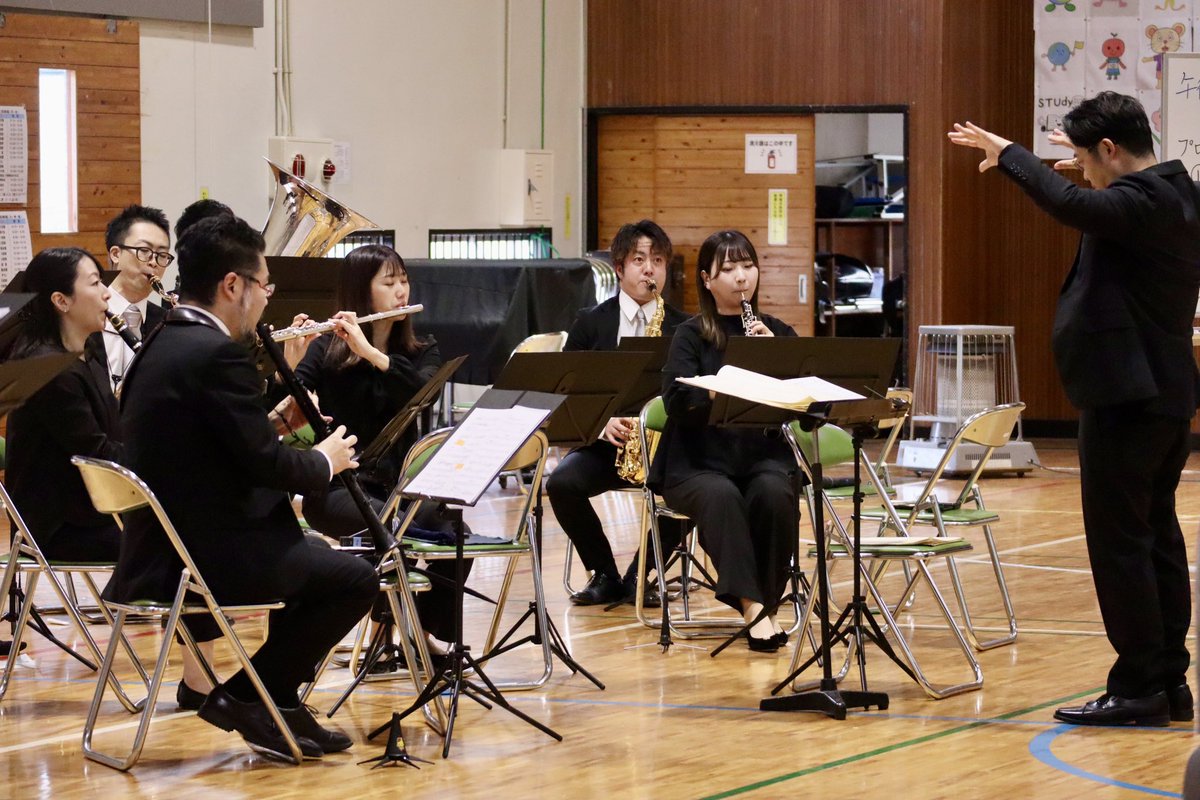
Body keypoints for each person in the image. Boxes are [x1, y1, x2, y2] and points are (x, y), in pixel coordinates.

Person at [948, 91, 1200, 726]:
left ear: (1111, 151)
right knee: (1156, 539)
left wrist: (1010, 155)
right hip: (1165, 394)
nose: (1083, 171)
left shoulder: (1139, 202)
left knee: (1121, 545)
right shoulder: (1177, 192)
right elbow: (1094, 200)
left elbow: (1074, 206)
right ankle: (1168, 681)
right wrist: (1077, 172)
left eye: (1090, 158)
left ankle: (1140, 685)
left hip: (1127, 397)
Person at [105, 214, 376, 759]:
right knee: (354, 578)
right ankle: (255, 697)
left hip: (160, 549)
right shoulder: (216, 352)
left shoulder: (163, 342)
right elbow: (262, 465)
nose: (266, 301)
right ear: (234, 285)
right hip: (206, 556)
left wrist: (273, 424)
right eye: (264, 286)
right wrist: (325, 460)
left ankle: (274, 705)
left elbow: (212, 446)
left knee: (322, 564)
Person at [294, 244, 465, 653]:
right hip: (338, 489)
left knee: (455, 534)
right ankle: (392, 638)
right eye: (389, 283)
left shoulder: (423, 350)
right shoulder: (324, 351)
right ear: (361, 292)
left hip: (397, 488)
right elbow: (288, 407)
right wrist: (290, 359)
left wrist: (370, 353)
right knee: (390, 537)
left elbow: (422, 392)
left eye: (403, 280)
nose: (401, 291)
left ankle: (419, 632)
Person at [647, 230, 798, 652]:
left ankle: (764, 602)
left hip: (759, 457)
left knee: (774, 492)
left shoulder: (777, 332)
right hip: (697, 462)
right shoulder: (691, 336)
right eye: (728, 269)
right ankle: (754, 608)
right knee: (722, 496)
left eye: (747, 266)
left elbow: (806, 403)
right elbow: (675, 401)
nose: (740, 277)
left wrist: (778, 363)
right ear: (707, 280)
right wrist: (720, 387)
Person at [546, 220, 691, 606]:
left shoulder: (685, 328)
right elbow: (567, 392)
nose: (649, 269)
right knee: (561, 484)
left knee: (698, 485)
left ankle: (640, 575)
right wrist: (602, 422)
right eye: (639, 259)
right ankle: (605, 573)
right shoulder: (590, 322)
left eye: (657, 260)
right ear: (619, 267)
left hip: (665, 447)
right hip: (609, 443)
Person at [6, 248, 119, 563]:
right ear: (61, 301)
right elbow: (98, 457)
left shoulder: (90, 349)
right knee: (183, 535)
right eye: (95, 283)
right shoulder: (47, 369)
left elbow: (113, 431)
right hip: (59, 526)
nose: (107, 294)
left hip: (92, 509)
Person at [98, 205, 174, 388]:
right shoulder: (85, 315)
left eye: (162, 255)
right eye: (144, 251)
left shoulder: (167, 324)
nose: (153, 262)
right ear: (116, 254)